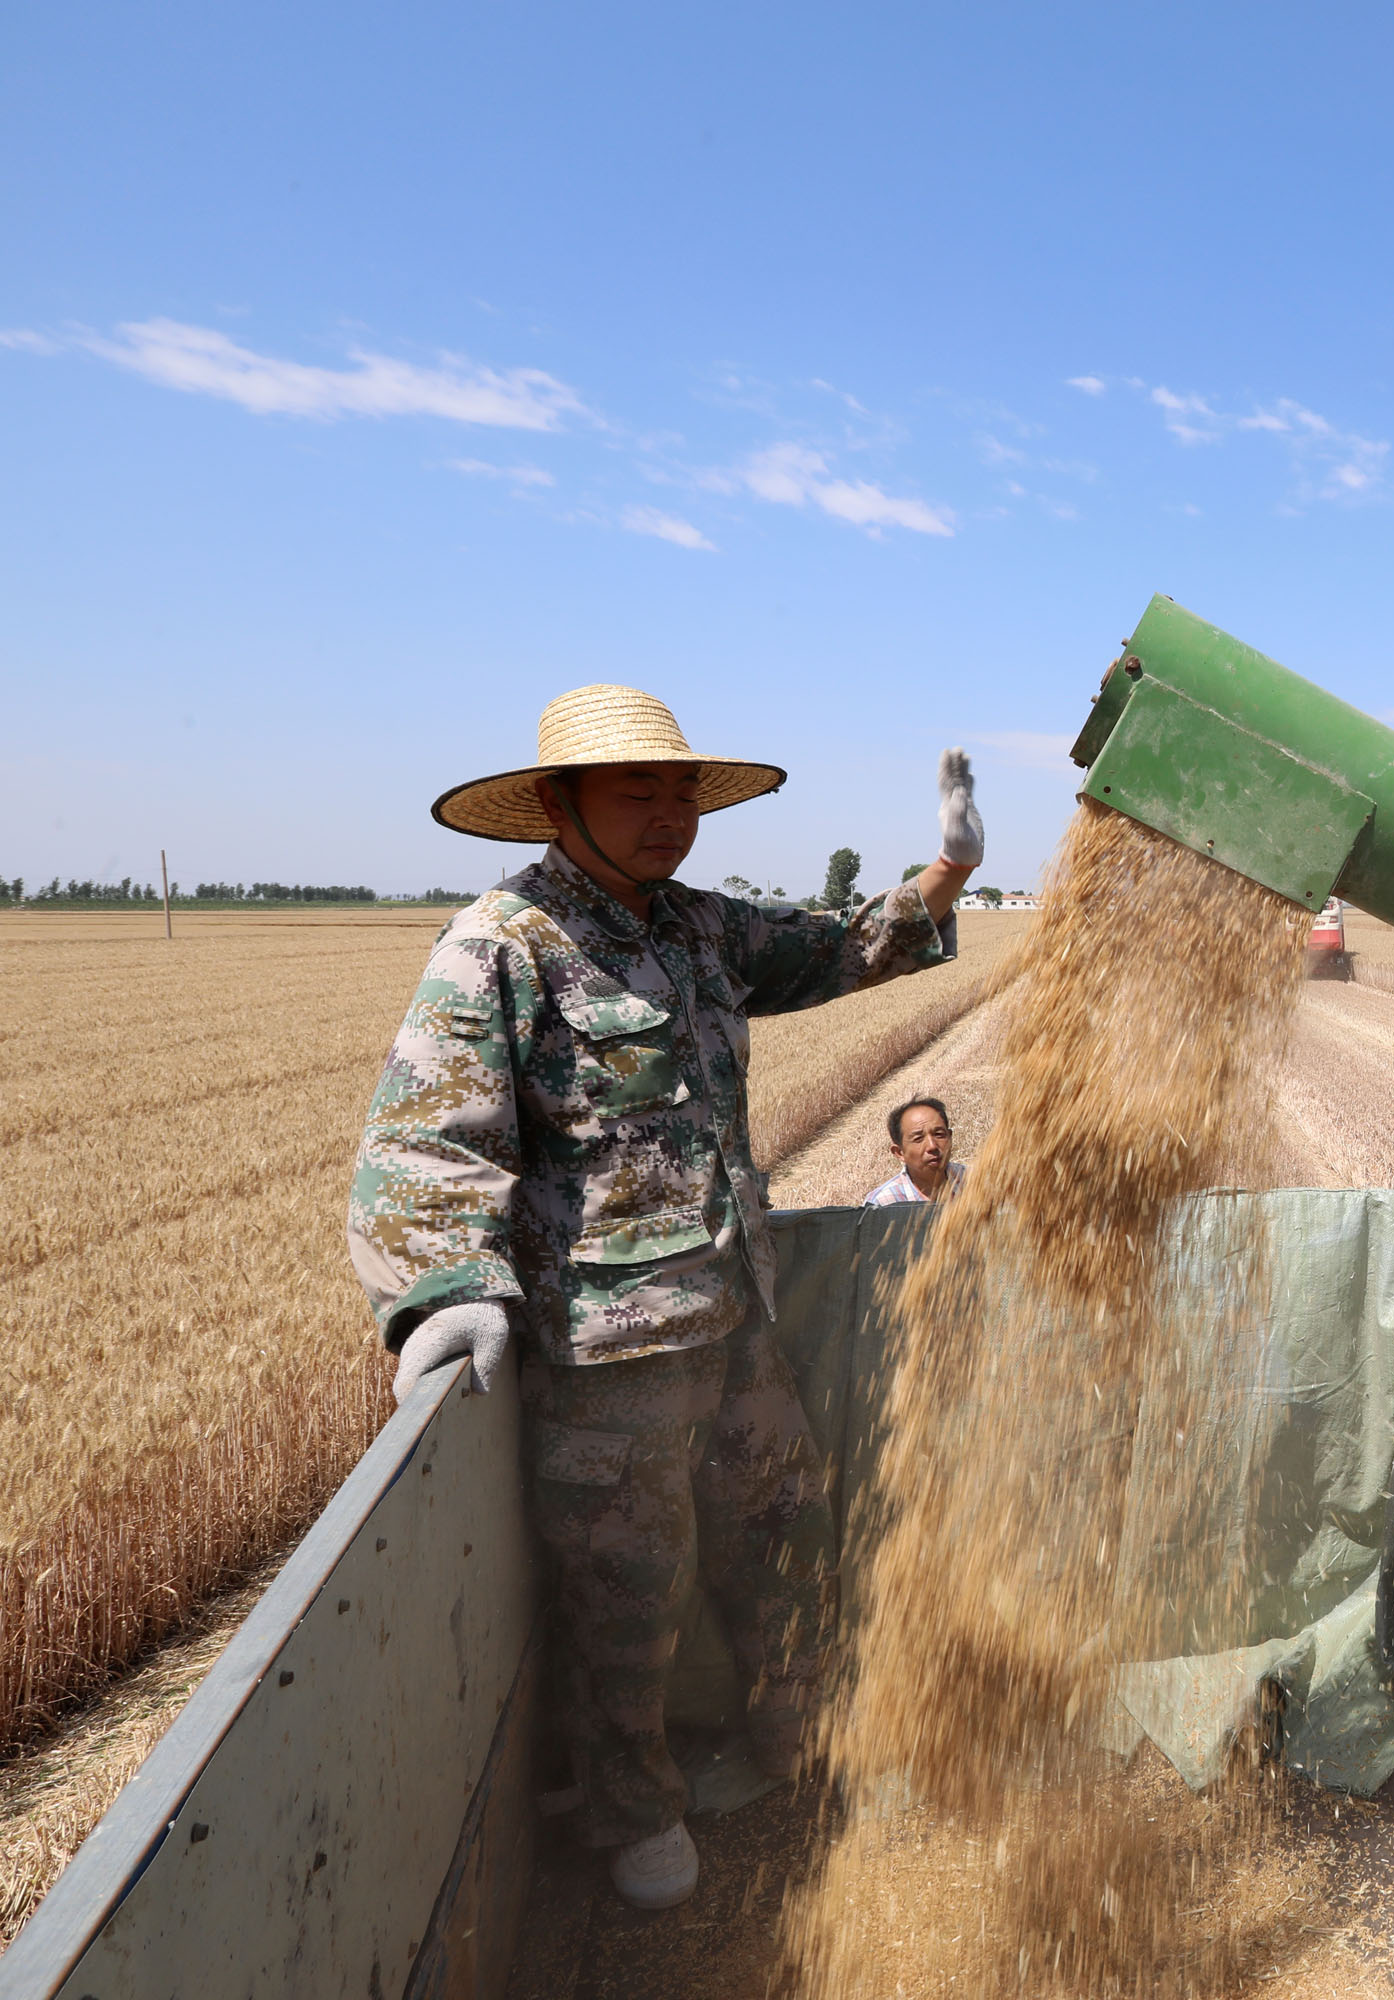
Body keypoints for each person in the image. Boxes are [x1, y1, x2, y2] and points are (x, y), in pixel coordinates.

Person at [346, 684, 983, 1913]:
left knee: (788, 1537)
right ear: (555, 802)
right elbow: (426, 1142)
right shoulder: (503, 943)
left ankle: (803, 1747)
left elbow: (836, 949)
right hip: (607, 1361)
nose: (671, 814)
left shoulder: (696, 930)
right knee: (629, 1604)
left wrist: (947, 873)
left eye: (682, 788)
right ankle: (638, 1815)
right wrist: (446, 1291)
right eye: (638, 788)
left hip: (738, 1326)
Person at [863, 1096, 965, 1205]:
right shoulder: (883, 1204)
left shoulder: (974, 1181)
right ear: (899, 1152)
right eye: (918, 1139)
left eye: (939, 1135)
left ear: (949, 1137)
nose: (932, 1146)